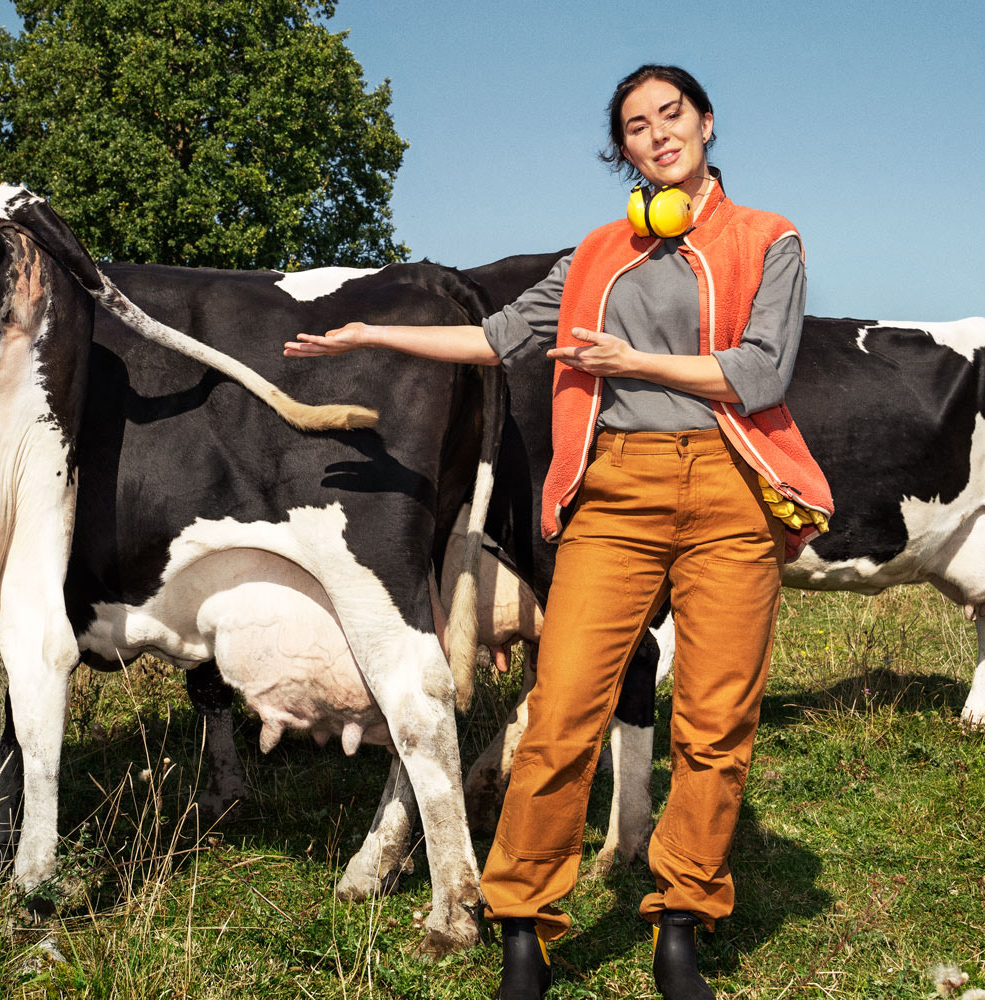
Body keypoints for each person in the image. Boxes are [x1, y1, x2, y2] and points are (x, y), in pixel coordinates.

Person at [284, 64, 833, 1000]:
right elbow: (497, 338)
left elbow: (762, 372)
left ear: (706, 123)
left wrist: (636, 361)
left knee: (715, 721)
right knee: (563, 709)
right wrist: (372, 334)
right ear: (621, 148)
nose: (658, 134)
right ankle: (524, 930)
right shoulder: (594, 255)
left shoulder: (767, 240)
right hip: (617, 490)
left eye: (672, 114)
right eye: (635, 125)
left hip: (732, 493)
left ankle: (681, 925)